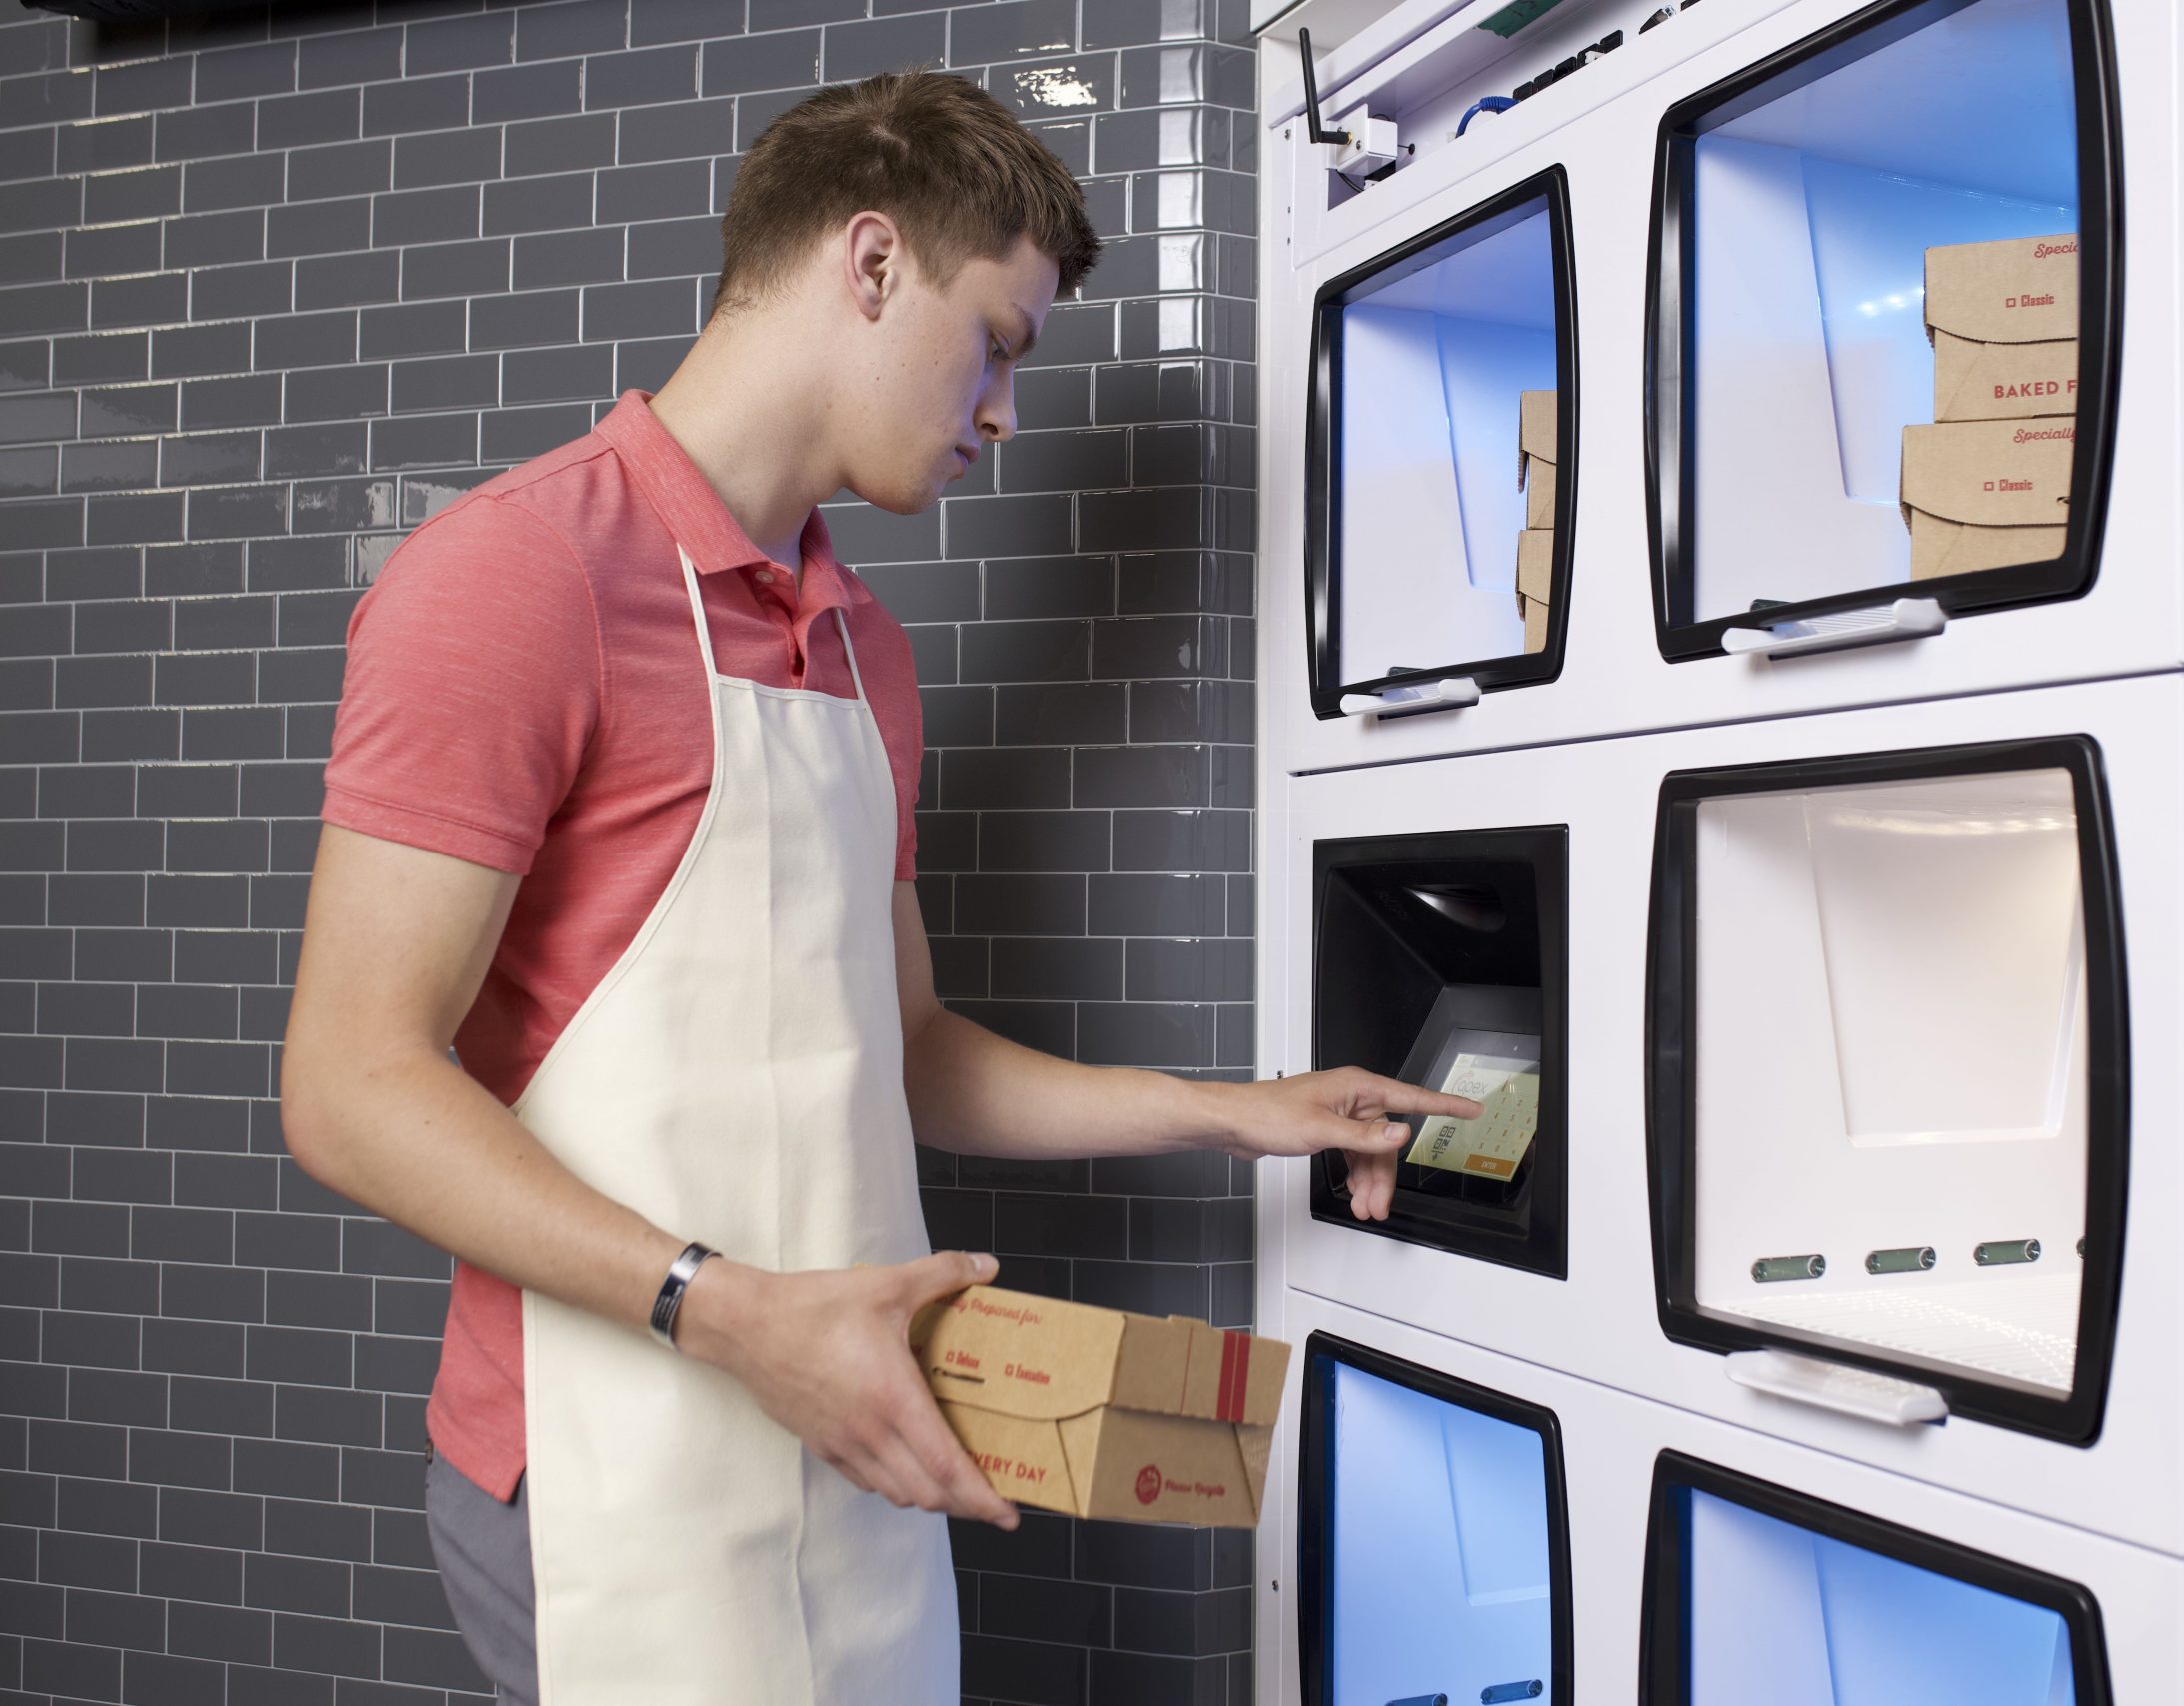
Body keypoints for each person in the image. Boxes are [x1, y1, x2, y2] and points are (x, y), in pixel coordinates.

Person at [277, 72, 1474, 1706]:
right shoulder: (512, 577)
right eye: (996, 340)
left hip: (850, 1429)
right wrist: (722, 1309)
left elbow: (905, 1050)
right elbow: (348, 1086)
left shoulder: (863, 649)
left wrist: (1242, 1112)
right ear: (868, 261)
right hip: (602, 1455)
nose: (999, 410)